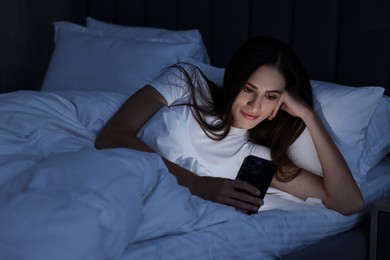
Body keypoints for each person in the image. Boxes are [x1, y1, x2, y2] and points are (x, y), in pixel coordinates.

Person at [95, 37, 364, 215]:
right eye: (249, 89)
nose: (255, 106)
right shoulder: (186, 82)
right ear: (235, 81)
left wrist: (309, 116)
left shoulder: (260, 160)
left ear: (279, 104)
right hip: (112, 181)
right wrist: (196, 183)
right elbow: (111, 135)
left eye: (271, 96)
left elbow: (348, 202)